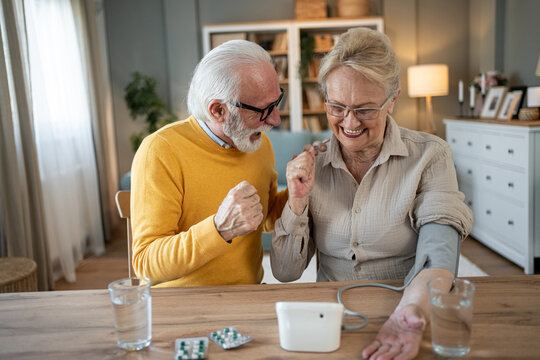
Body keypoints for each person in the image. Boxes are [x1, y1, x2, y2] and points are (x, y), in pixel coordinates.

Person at [270, 28, 473, 359]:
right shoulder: (312, 163)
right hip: (331, 319)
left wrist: (412, 313)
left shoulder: (430, 155)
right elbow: (285, 271)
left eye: (365, 109)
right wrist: (296, 200)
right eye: (337, 106)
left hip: (409, 306)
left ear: (392, 99)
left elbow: (440, 249)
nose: (349, 122)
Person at [130, 40, 290, 287]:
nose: (276, 120)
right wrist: (219, 229)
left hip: (248, 298)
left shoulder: (260, 144)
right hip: (183, 306)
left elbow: (266, 219)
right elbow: (146, 264)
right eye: (264, 109)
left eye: (277, 102)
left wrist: (298, 191)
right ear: (218, 111)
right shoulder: (160, 151)